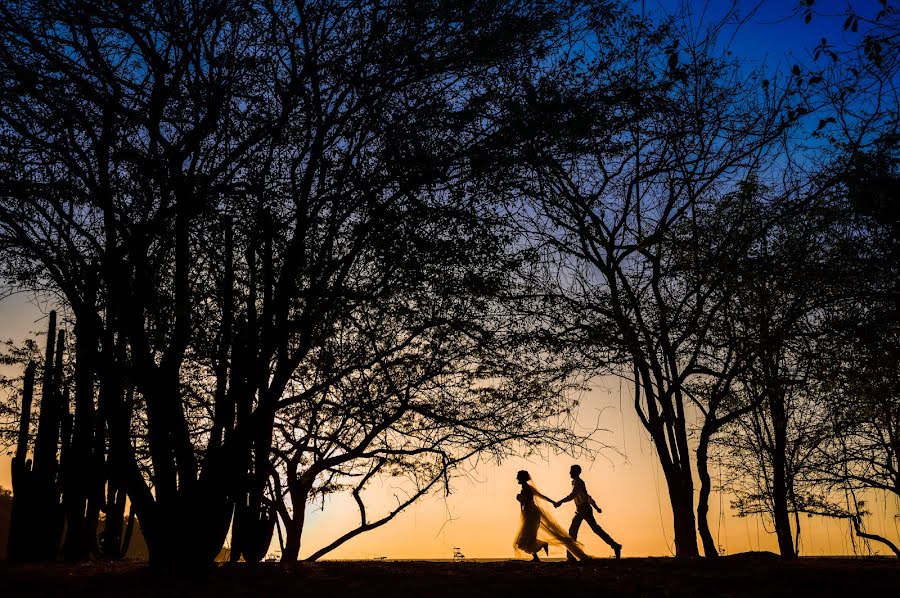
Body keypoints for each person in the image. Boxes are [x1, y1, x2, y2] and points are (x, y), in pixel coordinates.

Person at [514, 470, 590, 562]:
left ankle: (540, 549)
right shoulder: (525, 488)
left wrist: (553, 502)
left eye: (518, 476)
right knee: (526, 537)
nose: (516, 478)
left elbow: (541, 496)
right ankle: (537, 555)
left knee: (527, 537)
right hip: (527, 514)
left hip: (532, 514)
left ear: (522, 478)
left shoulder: (528, 488)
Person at [554, 464, 622, 560]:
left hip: (584, 509)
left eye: (571, 471)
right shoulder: (575, 482)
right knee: (573, 531)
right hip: (579, 509)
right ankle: (570, 555)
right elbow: (587, 496)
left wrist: (561, 501)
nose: (569, 473)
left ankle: (615, 546)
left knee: (594, 529)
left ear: (576, 472)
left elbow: (573, 495)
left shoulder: (579, 482)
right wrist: (596, 507)